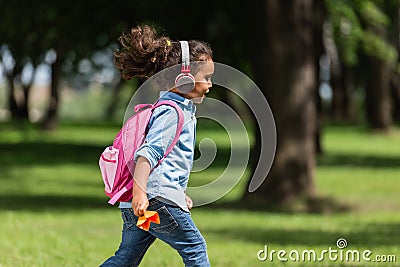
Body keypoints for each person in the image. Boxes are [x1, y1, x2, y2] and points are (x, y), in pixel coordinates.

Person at [100, 25, 214, 267]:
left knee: (127, 257)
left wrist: (179, 194)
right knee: (195, 249)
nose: (210, 85)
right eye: (206, 78)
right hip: (153, 199)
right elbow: (148, 154)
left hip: (147, 200)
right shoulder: (171, 112)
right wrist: (141, 194)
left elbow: (169, 160)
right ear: (184, 78)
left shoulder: (177, 110)